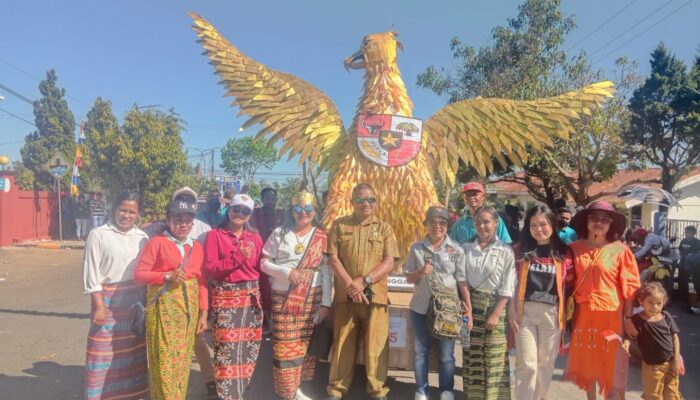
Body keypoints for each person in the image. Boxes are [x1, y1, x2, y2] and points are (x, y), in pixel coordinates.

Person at [141, 186, 217, 400]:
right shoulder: (156, 240)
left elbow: (202, 281)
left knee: (184, 359)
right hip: (164, 310)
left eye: (187, 219)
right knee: (164, 358)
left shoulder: (200, 239)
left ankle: (190, 390)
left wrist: (203, 313)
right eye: (177, 219)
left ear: (193, 219)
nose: (183, 224)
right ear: (168, 219)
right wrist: (166, 276)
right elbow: (140, 274)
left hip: (189, 310)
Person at [325, 183, 399, 400]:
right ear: (352, 202)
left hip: (375, 296)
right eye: (360, 200)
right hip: (346, 296)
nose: (365, 204)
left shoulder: (384, 228)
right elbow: (333, 258)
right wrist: (351, 285)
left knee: (375, 346)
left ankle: (377, 390)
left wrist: (364, 281)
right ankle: (336, 390)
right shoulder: (339, 226)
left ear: (375, 202)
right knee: (342, 343)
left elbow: (389, 261)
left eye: (370, 200)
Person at [564, 200, 641, 400]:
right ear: (586, 221)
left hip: (611, 317)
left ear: (611, 224)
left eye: (605, 219)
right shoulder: (573, 248)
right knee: (588, 362)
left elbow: (630, 287)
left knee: (613, 364)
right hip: (583, 316)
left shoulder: (621, 250)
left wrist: (627, 317)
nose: (599, 222)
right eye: (594, 218)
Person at [261, 191, 332, 400]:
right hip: (284, 297)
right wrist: (287, 272)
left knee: (304, 345)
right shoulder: (279, 233)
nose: (303, 213)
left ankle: (297, 387)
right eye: (298, 209)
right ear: (291, 211)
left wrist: (326, 303)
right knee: (284, 347)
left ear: (315, 212)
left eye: (308, 209)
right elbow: (263, 263)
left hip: (313, 298)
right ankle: (286, 391)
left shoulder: (321, 236)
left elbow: (327, 272)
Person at [83, 192, 149, 400]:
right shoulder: (99, 234)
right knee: (101, 351)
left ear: (138, 214)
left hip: (134, 302)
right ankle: (99, 395)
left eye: (132, 212)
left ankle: (130, 394)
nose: (127, 215)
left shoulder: (142, 237)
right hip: (107, 300)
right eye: (123, 210)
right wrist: (99, 305)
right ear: (114, 209)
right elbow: (90, 271)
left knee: (131, 351)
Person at [404, 206, 472, 400]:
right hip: (420, 308)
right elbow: (408, 278)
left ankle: (446, 390)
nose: (437, 226)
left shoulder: (456, 249)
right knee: (420, 352)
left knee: (446, 354)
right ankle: (421, 390)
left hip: (447, 312)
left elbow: (461, 280)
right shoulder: (416, 248)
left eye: (442, 222)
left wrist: (467, 308)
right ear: (426, 224)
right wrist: (419, 272)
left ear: (447, 226)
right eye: (432, 222)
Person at [508, 205, 574, 400]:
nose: (539, 229)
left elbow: (571, 287)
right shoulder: (518, 250)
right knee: (526, 363)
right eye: (533, 225)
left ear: (552, 224)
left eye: (543, 224)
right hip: (524, 313)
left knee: (545, 365)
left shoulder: (565, 253)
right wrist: (512, 311)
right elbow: (510, 283)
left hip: (552, 314)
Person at [204, 194, 264, 400]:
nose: (239, 214)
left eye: (245, 211)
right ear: (229, 210)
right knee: (226, 350)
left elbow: (260, 271)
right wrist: (238, 257)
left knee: (248, 348)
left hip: (250, 298)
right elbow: (211, 268)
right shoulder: (215, 235)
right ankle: (226, 394)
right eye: (236, 209)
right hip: (225, 297)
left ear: (250, 215)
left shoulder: (255, 238)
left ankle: (238, 391)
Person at [461, 205, 516, 400]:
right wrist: (467, 309)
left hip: (496, 308)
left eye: (486, 221)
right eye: (478, 222)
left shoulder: (505, 250)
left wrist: (495, 314)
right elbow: (462, 281)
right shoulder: (466, 248)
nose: (482, 226)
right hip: (470, 308)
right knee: (472, 355)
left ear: (496, 223)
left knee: (495, 357)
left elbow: (508, 286)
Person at [622, 282, 684, 400]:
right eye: (650, 302)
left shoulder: (666, 317)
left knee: (672, 395)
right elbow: (630, 335)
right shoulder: (637, 320)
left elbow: (675, 338)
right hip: (652, 368)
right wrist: (626, 343)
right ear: (641, 301)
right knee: (653, 396)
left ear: (664, 303)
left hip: (671, 363)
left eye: (659, 304)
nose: (654, 307)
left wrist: (677, 359)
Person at [251, 187, 287, 334]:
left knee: (279, 288)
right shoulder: (256, 214)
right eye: (268, 197)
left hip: (280, 256)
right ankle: (265, 322)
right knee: (264, 289)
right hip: (261, 255)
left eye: (273, 197)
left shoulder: (282, 213)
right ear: (262, 199)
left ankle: (278, 321)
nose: (270, 200)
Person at [678, 226, 700, 312]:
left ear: (693, 233)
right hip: (684, 265)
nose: (687, 234)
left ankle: (698, 302)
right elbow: (680, 250)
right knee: (683, 282)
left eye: (689, 232)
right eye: (686, 232)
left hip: (695, 265)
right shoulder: (683, 241)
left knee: (697, 283)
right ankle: (685, 302)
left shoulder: (697, 242)